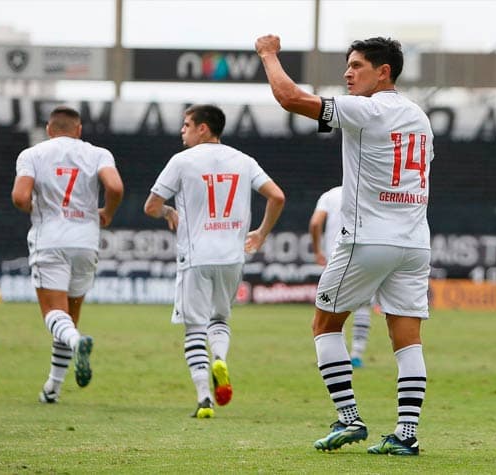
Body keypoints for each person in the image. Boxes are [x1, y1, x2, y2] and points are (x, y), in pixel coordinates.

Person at [257, 35, 433, 455]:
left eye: (356, 66)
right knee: (407, 339)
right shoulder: (419, 117)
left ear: (383, 72)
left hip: (369, 238)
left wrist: (268, 54)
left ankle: (349, 418)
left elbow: (289, 97)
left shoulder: (367, 109)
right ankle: (406, 435)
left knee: (324, 325)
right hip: (415, 242)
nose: (347, 73)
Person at [144, 104, 285, 418]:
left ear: (203, 129)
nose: (183, 131)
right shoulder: (244, 161)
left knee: (194, 327)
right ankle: (219, 358)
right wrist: (261, 234)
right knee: (219, 320)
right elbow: (277, 196)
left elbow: (151, 206)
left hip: (196, 257)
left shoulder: (181, 161)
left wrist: (168, 212)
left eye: (186, 125)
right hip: (232, 257)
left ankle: (204, 399)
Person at [11, 105, 124, 403]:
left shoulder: (32, 155)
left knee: (54, 314)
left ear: (49, 130)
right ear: (79, 130)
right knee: (68, 316)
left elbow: (20, 196)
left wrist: (34, 208)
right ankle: (53, 389)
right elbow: (114, 185)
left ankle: (77, 342)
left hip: (50, 240)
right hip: (86, 241)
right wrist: (107, 213)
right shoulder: (98, 153)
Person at [309, 185, 373, 368]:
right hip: (364, 254)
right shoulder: (368, 192)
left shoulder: (330, 195)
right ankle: (357, 354)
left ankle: (339, 353)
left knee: (333, 306)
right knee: (363, 305)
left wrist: (317, 251)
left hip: (336, 256)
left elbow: (315, 223)